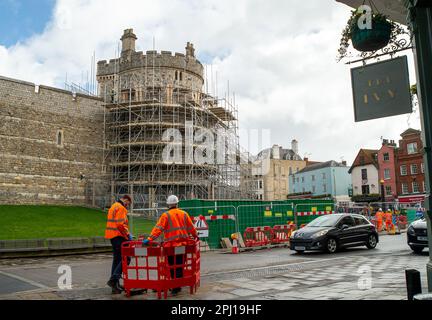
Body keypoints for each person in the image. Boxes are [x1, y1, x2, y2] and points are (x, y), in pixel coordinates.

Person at [143, 195, 198, 295]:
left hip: (171, 246)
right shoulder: (184, 214)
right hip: (183, 245)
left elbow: (158, 229)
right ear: (177, 204)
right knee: (180, 265)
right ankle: (177, 286)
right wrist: (196, 236)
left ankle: (175, 286)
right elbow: (191, 228)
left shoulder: (166, 215)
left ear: (168, 205)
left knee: (172, 266)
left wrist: (149, 239)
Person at [105, 195, 133, 294]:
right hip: (119, 236)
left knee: (117, 259)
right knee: (127, 258)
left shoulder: (113, 206)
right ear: (125, 200)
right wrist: (128, 234)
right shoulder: (121, 208)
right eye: (127, 204)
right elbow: (120, 224)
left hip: (112, 236)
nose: (127, 206)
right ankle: (114, 280)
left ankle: (114, 285)